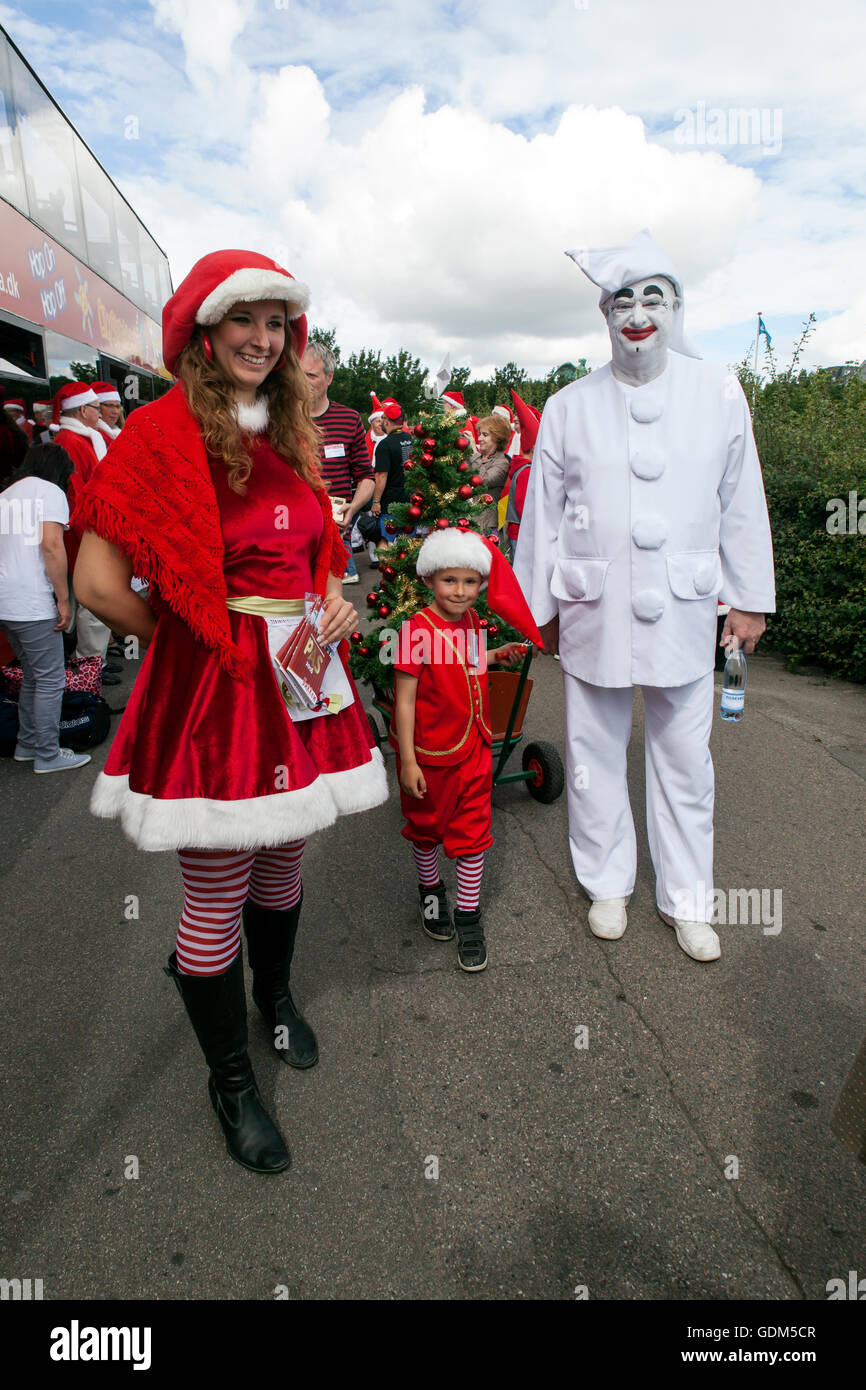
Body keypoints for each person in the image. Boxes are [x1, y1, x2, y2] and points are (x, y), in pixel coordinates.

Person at [72, 249, 388, 1175]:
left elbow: (320, 555)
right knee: (216, 892)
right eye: (243, 320)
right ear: (205, 333)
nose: (262, 338)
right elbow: (96, 578)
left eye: (277, 323)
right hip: (218, 687)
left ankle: (276, 997)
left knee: (285, 858)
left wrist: (337, 599)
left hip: (304, 675)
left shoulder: (290, 425)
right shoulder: (162, 433)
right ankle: (232, 1081)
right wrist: (190, 635)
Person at [514, 229, 776, 963]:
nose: (637, 315)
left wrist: (749, 599)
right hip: (593, 604)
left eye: (652, 299)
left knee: (686, 759)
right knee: (593, 751)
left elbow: (741, 499)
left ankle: (688, 900)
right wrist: (539, 607)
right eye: (621, 301)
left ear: (676, 309)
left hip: (689, 608)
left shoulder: (719, 390)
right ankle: (606, 883)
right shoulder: (569, 404)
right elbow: (543, 513)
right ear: (604, 316)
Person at [390, 528, 542, 972]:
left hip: (475, 747)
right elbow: (404, 699)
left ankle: (469, 915)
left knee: (473, 835)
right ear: (429, 580)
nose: (460, 591)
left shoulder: (472, 623)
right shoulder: (415, 631)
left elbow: (470, 659)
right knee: (426, 828)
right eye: (449, 580)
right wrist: (409, 760)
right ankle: (431, 892)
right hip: (432, 756)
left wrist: (498, 655)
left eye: (470, 582)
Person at [0, 442, 91, 773]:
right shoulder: (50, 492)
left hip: (6, 601)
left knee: (33, 676)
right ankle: (48, 754)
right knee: (50, 678)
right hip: (31, 601)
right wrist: (63, 597)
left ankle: (27, 745)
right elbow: (52, 545)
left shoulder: (7, 494)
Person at [53, 384, 118, 682]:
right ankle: (89, 668)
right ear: (83, 410)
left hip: (88, 532)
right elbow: (76, 497)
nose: (102, 412)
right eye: (96, 406)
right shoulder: (70, 441)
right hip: (84, 535)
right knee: (92, 602)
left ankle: (93, 662)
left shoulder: (81, 438)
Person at [301, 341, 373, 585]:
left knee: (330, 602)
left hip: (334, 526)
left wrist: (353, 509)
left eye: (311, 375)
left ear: (329, 377)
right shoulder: (280, 418)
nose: (303, 382)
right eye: (298, 375)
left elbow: (366, 477)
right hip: (291, 527)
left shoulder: (349, 418)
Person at [371, 399, 412, 548]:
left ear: (387, 422)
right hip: (410, 499)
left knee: (387, 545)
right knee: (408, 544)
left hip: (391, 503)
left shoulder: (385, 444)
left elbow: (381, 475)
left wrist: (376, 502)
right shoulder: (410, 439)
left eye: (383, 419)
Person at [474, 415, 511, 534]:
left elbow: (481, 480)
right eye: (479, 434)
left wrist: (473, 453)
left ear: (497, 438)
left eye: (485, 435)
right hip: (469, 522)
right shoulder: (477, 458)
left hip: (486, 526)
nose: (479, 438)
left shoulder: (502, 463)